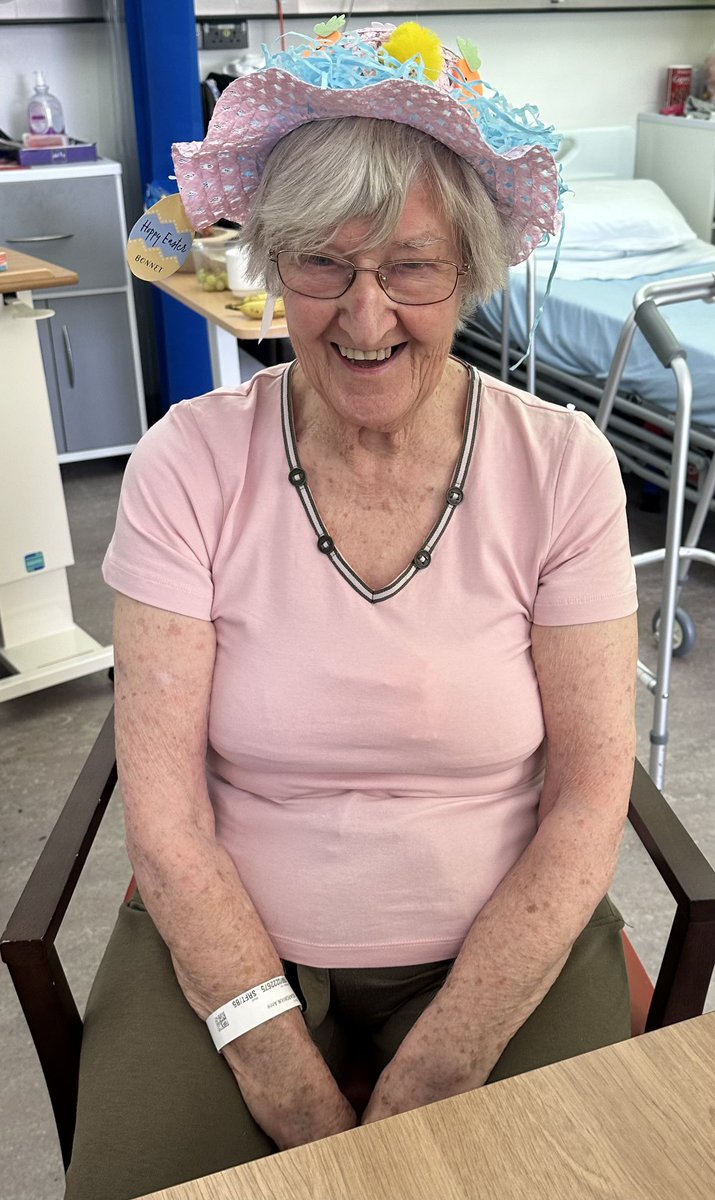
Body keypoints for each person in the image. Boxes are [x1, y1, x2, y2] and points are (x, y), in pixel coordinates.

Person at [65, 19, 638, 1200]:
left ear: (471, 270)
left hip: (502, 951)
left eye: (411, 268)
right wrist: (283, 1072)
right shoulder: (190, 461)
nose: (364, 318)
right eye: (321, 264)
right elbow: (165, 819)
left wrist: (438, 1069)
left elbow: (589, 795)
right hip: (235, 955)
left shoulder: (562, 465)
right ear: (273, 265)